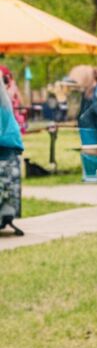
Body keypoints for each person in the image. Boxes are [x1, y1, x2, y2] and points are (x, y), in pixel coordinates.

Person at [0, 67, 24, 236]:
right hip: (8, 142)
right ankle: (6, 213)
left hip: (5, 142)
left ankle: (5, 214)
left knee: (6, 179)